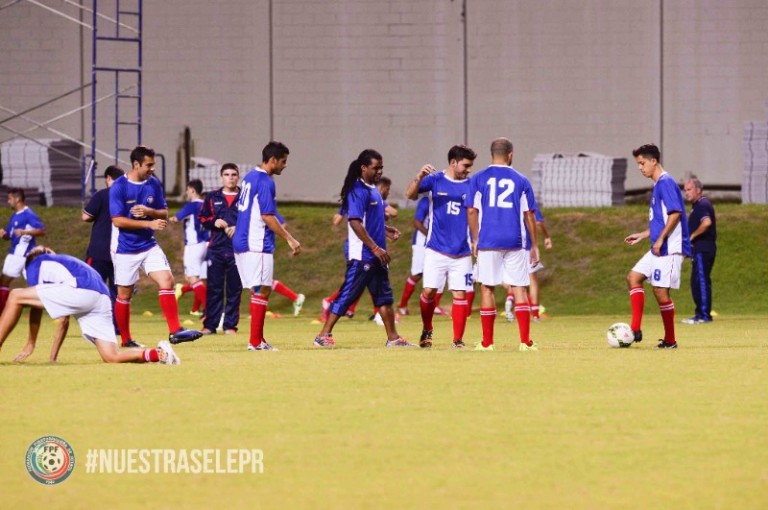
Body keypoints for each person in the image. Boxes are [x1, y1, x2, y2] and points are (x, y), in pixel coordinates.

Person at [0, 246, 179, 365]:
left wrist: (31, 344)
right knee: (111, 356)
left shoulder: (36, 264)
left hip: (81, 292)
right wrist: (52, 358)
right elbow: (63, 321)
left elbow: (35, 309)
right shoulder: (66, 263)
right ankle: (159, 354)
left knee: (15, 295)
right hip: (101, 298)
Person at [313, 149, 414, 348]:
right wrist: (375, 248)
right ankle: (323, 335)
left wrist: (386, 230)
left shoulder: (373, 190)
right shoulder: (357, 191)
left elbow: (370, 220)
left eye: (381, 168)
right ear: (364, 168)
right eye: (375, 168)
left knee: (384, 297)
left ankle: (393, 338)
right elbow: (355, 222)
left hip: (377, 255)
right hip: (363, 256)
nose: (379, 171)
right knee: (348, 294)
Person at [110, 145, 202, 347]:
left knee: (167, 280)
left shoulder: (153, 184)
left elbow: (164, 212)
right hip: (125, 248)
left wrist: (149, 211)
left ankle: (176, 331)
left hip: (148, 244)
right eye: (149, 165)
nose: (152, 168)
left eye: (153, 164)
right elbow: (117, 221)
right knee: (124, 294)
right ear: (136, 164)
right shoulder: (119, 186)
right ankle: (126, 340)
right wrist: (148, 223)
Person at [466, 137, 539, 352]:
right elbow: (529, 214)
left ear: (491, 155)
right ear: (511, 155)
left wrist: (475, 238)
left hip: (488, 240)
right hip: (515, 241)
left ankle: (488, 343)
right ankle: (525, 342)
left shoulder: (478, 179)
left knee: (487, 288)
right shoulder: (521, 180)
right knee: (519, 288)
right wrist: (534, 244)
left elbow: (471, 210)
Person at [405, 144, 477, 348]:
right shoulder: (435, 180)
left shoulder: (471, 185)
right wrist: (419, 176)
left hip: (461, 252)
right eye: (466, 165)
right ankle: (427, 328)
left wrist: (475, 239)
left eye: (471, 165)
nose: (469, 169)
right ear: (453, 163)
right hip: (435, 249)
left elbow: (474, 214)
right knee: (428, 291)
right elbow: (409, 195)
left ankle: (458, 340)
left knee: (459, 294)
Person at [233, 141, 301, 351]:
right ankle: (255, 342)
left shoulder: (249, 177)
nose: (285, 165)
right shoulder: (265, 181)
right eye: (283, 161)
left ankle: (258, 340)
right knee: (262, 290)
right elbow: (267, 216)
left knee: (263, 289)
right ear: (272, 160)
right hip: (257, 242)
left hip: (242, 240)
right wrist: (289, 238)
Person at [624, 143, 691, 349]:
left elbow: (675, 213)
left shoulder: (666, 182)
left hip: (669, 248)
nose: (640, 167)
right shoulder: (658, 185)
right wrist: (644, 235)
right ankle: (635, 329)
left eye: (642, 163)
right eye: (638, 164)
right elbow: (661, 220)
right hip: (658, 245)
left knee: (660, 292)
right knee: (633, 277)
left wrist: (661, 239)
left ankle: (670, 340)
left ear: (654, 161)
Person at [198, 163, 242, 335]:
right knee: (214, 288)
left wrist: (238, 228)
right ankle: (210, 325)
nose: (230, 177)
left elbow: (252, 219)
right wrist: (213, 222)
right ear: (221, 177)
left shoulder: (244, 197)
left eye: (233, 174)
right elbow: (202, 218)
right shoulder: (212, 196)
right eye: (227, 174)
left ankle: (230, 326)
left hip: (237, 250)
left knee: (234, 289)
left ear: (238, 177)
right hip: (216, 248)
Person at [82, 165, 124, 334]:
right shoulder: (127, 196)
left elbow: (86, 216)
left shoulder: (102, 195)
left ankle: (95, 325)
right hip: (121, 252)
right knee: (119, 292)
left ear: (108, 178)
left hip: (99, 250)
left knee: (92, 288)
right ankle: (117, 327)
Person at [0, 188, 46, 315]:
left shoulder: (28, 214)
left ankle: (5, 312)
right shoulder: (15, 215)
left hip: (21, 255)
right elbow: (9, 234)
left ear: (17, 199)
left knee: (4, 281)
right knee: (33, 285)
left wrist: (26, 232)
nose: (8, 202)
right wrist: (4, 234)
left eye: (10, 199)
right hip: (15, 253)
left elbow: (42, 230)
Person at [504, 209, 553, 322]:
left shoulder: (511, 199)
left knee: (513, 279)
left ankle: (509, 304)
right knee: (532, 280)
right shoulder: (528, 200)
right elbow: (538, 222)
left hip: (509, 244)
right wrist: (546, 236)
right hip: (526, 246)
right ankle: (535, 314)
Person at [170, 179, 210, 317]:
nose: (186, 192)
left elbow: (177, 218)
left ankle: (209, 310)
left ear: (192, 190)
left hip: (194, 245)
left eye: (187, 190)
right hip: (207, 244)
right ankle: (203, 310)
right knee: (202, 280)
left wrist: (169, 218)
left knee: (192, 278)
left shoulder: (191, 206)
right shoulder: (207, 205)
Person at [682, 177, 716, 324]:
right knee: (695, 282)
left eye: (689, 190)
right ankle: (699, 314)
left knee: (701, 282)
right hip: (698, 251)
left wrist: (692, 237)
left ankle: (704, 315)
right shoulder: (696, 206)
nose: (686, 193)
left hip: (703, 249)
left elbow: (707, 222)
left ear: (698, 190)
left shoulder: (703, 204)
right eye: (685, 190)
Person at [395, 195, 429, 316]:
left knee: (436, 274)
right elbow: (417, 222)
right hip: (421, 243)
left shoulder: (441, 202)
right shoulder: (426, 201)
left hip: (434, 245)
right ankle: (402, 305)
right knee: (417, 274)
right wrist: (429, 235)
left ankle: (433, 305)